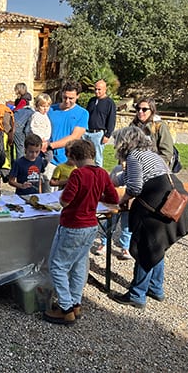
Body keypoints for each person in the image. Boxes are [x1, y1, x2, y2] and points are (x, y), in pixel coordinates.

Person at [111, 126, 188, 309]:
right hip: (175, 200)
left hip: (157, 205)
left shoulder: (133, 156)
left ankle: (137, 294)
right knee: (157, 245)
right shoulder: (150, 154)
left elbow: (134, 188)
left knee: (145, 248)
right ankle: (155, 288)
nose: (116, 146)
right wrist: (108, 182)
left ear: (125, 142)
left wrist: (120, 201)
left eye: (117, 142)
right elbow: (128, 178)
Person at [43, 139, 119, 325]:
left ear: (75, 157)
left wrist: (73, 193)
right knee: (78, 265)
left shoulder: (78, 174)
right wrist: (94, 196)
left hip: (73, 225)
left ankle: (66, 308)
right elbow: (113, 198)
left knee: (58, 266)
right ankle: (75, 303)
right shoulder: (102, 173)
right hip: (91, 225)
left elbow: (65, 201)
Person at [45, 80, 88, 189]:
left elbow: (74, 137)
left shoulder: (83, 113)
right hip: (49, 159)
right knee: (47, 194)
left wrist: (51, 145)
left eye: (71, 98)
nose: (67, 101)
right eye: (65, 97)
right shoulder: (50, 110)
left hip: (69, 162)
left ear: (78, 96)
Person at [130, 97, 175, 168]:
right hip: (135, 165)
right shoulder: (132, 126)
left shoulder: (160, 126)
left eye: (144, 109)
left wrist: (150, 165)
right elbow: (126, 148)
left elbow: (167, 153)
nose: (140, 111)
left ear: (152, 110)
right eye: (138, 109)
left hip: (155, 167)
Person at [84, 79, 116, 167]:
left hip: (98, 134)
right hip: (86, 132)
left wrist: (107, 135)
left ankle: (98, 174)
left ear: (105, 90)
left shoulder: (110, 103)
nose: (96, 91)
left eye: (99, 89)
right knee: (85, 156)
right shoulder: (92, 100)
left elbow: (111, 119)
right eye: (95, 89)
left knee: (98, 158)